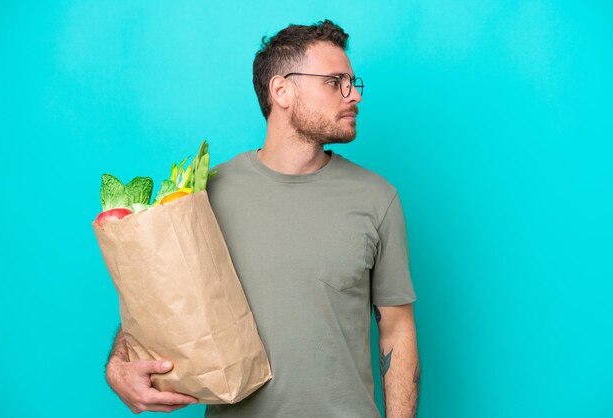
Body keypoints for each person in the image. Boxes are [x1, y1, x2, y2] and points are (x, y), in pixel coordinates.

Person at [105, 19, 420, 417]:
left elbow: (397, 329)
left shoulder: (378, 199)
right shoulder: (207, 193)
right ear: (281, 90)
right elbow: (160, 300)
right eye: (335, 81)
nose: (353, 95)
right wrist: (119, 366)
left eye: (354, 83)